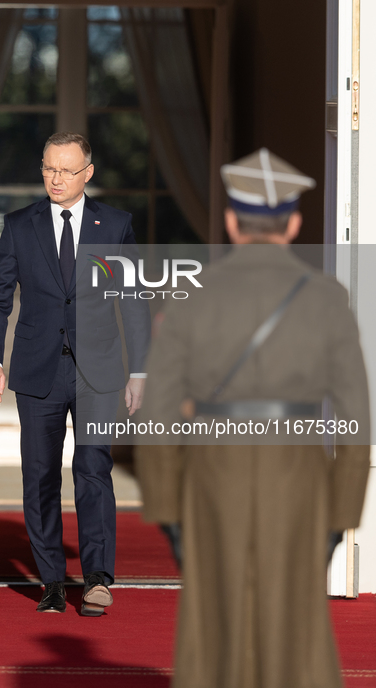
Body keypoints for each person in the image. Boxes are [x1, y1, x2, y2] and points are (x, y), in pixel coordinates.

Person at [136, 149, 371, 688]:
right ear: (292, 223)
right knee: (299, 630)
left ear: (230, 222)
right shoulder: (328, 299)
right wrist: (341, 515)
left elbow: (159, 412)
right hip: (299, 476)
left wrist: (168, 510)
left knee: (212, 630)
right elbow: (356, 417)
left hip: (213, 474)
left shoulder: (194, 299)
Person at [0, 132, 150, 615]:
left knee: (93, 468)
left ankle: (97, 577)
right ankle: (52, 579)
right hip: (37, 370)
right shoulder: (18, 226)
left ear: (87, 173)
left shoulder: (114, 225)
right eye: (49, 168)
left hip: (99, 371)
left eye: (67, 170)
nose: (56, 178)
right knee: (40, 476)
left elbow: (133, 301)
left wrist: (140, 370)